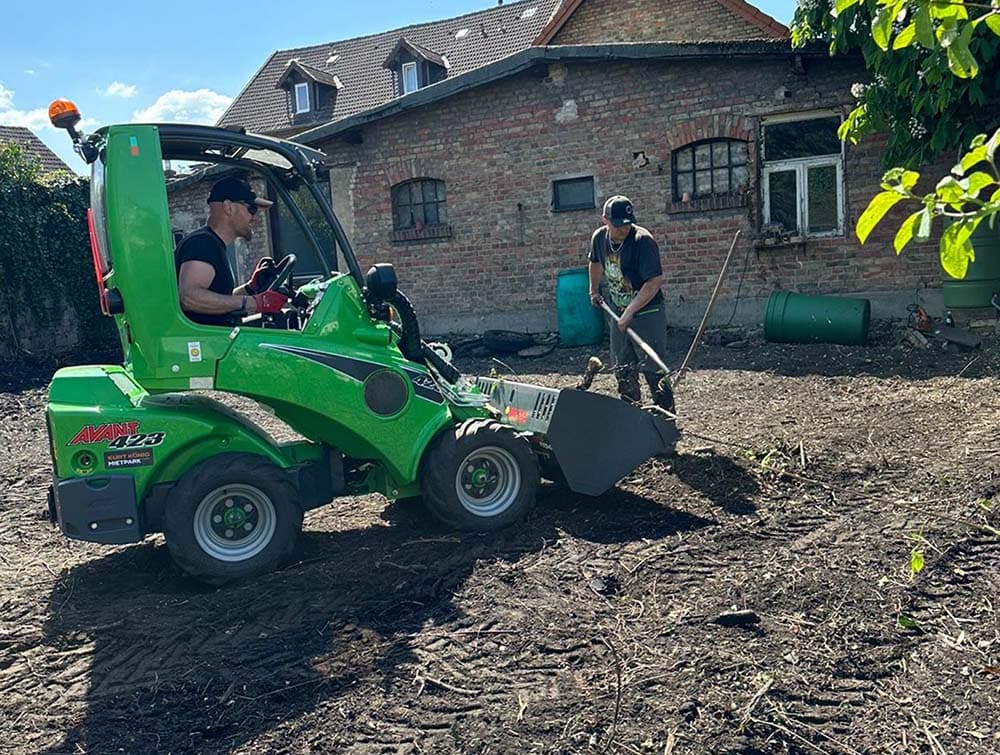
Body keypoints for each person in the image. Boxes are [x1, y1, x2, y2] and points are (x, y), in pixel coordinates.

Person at [588, 194, 675, 413]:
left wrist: (630, 311)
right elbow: (595, 262)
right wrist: (594, 289)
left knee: (653, 366)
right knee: (623, 366)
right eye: (618, 226)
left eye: (627, 224)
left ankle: (666, 419)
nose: (624, 229)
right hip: (617, 310)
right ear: (605, 220)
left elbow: (654, 281)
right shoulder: (599, 238)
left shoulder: (642, 241)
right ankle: (632, 416)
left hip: (648, 311)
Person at [175, 176, 288, 326]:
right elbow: (190, 298)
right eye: (252, 209)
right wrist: (256, 303)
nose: (256, 218)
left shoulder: (213, 244)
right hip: (207, 345)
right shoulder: (202, 244)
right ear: (229, 207)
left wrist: (250, 288)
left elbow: (219, 299)